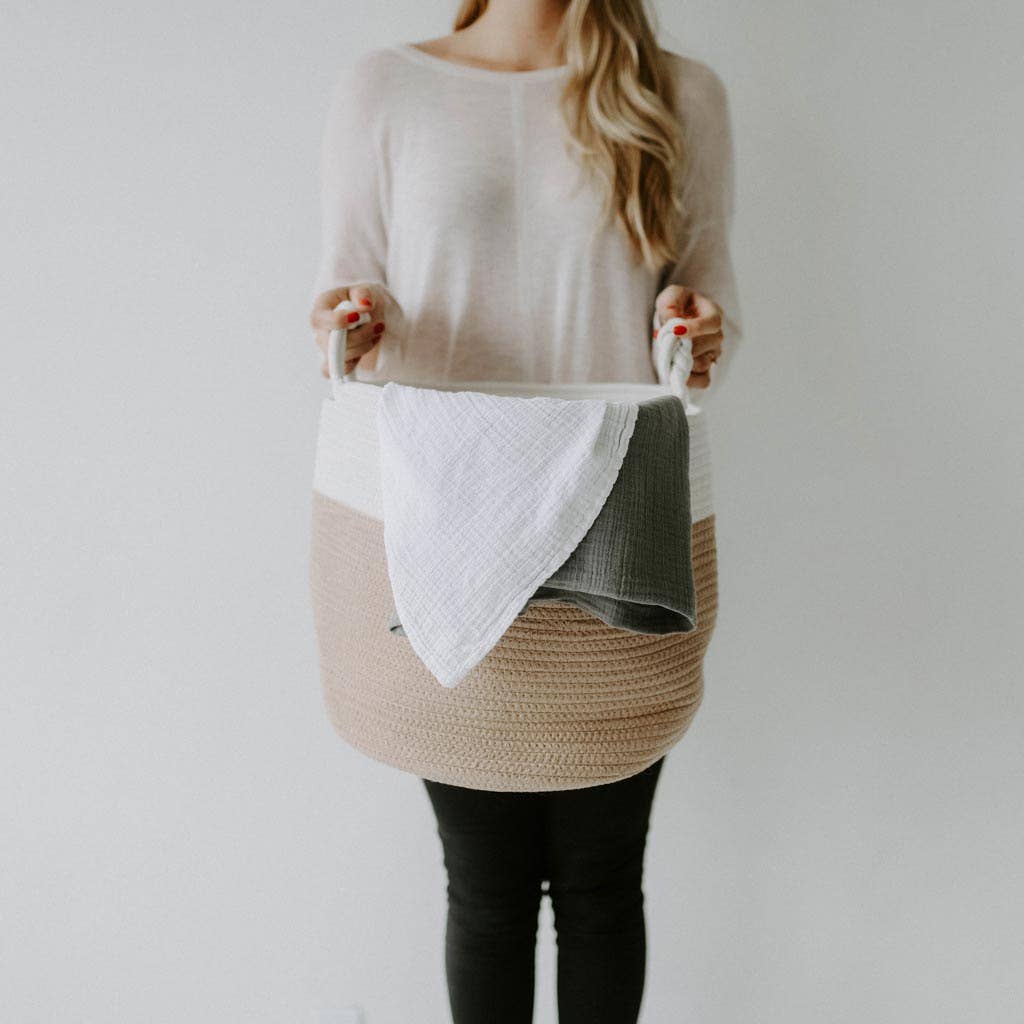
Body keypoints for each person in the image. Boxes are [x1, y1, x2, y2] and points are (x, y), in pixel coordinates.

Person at [307, 2, 743, 1021]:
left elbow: (705, 307)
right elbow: (340, 295)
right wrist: (353, 320)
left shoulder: (677, 94)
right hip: (441, 526)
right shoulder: (388, 87)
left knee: (601, 884)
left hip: (616, 523)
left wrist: (697, 328)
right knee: (486, 888)